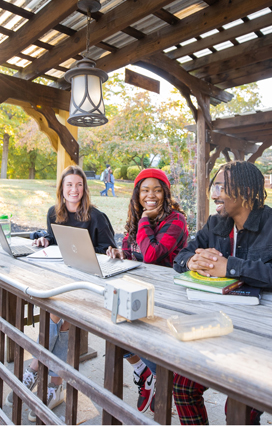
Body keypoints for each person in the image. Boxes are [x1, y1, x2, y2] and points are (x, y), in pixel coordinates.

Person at [172, 161, 272, 425]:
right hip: (219, 326)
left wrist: (233, 267)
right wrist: (191, 261)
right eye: (213, 187)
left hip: (264, 337)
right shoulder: (216, 224)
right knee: (183, 388)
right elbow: (182, 255)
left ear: (247, 191)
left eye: (220, 187)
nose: (214, 194)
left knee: (238, 410)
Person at [6, 165, 116, 421]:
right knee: (62, 322)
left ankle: (33, 367)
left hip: (90, 285)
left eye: (78, 185)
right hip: (61, 281)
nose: (74, 189)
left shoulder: (97, 217)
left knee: (58, 315)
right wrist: (45, 239)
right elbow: (58, 246)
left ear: (84, 189)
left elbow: (110, 253)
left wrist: (102, 253)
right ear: (62, 189)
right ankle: (55, 387)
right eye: (69, 185)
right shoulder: (53, 214)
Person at [107, 168, 188, 413]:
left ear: (165, 192)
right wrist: (121, 253)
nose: (150, 195)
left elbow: (152, 256)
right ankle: (145, 373)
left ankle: (161, 380)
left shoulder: (175, 220)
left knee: (145, 340)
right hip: (139, 288)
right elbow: (133, 251)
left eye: (156, 189)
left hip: (166, 296)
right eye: (144, 190)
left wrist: (144, 221)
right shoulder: (136, 217)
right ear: (137, 193)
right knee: (113, 326)